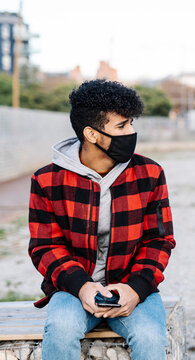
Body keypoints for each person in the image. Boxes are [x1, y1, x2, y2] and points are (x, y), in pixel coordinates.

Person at [28, 79, 176, 360]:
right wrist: (81, 286)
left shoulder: (150, 173)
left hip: (133, 287)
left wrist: (136, 288)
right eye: (121, 126)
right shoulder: (47, 180)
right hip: (73, 289)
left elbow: (159, 240)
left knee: (149, 338)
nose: (131, 132)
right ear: (92, 134)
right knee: (60, 329)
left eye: (131, 123)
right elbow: (44, 246)